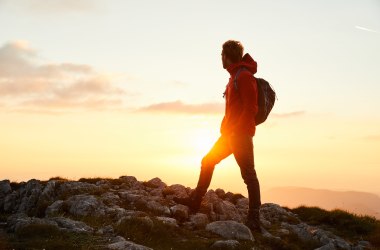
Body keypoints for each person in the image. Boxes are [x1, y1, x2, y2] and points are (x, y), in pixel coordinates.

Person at [174, 40, 262, 232]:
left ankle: (255, 219)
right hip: (230, 135)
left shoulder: (244, 76)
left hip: (240, 135)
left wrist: (236, 129)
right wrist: (226, 126)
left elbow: (251, 108)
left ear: (227, 56)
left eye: (221, 55)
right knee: (208, 161)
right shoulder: (234, 76)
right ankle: (195, 201)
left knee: (249, 175)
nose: (220, 59)